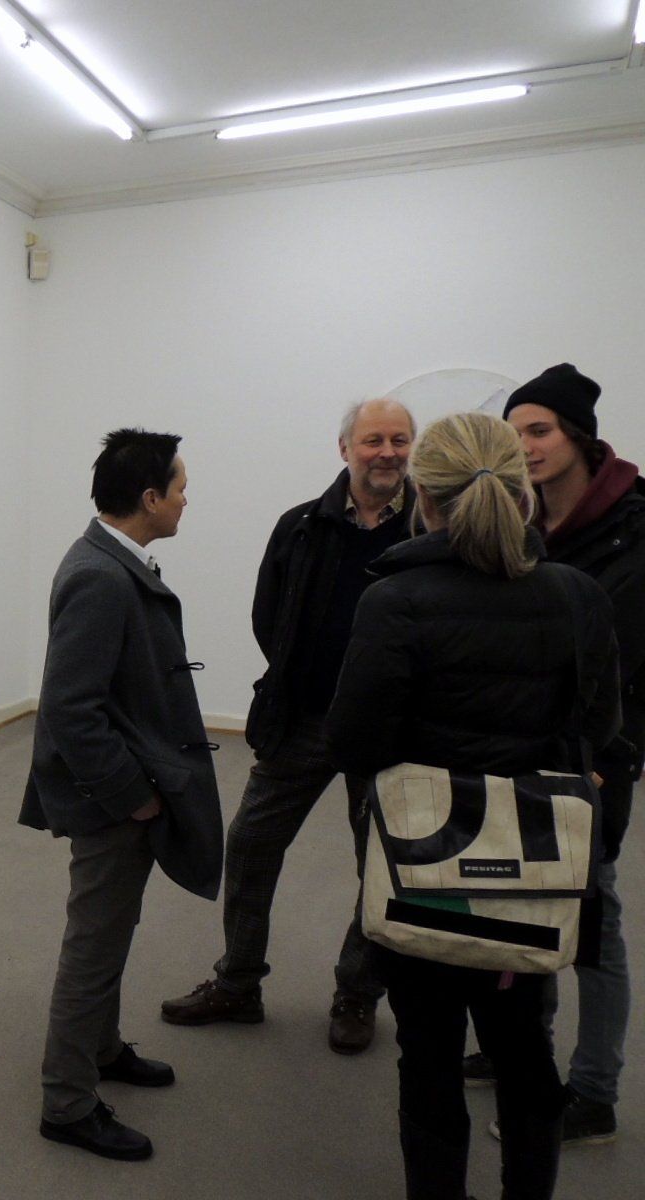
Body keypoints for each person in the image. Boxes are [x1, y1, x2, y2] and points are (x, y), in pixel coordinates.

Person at [326, 410, 620, 1200]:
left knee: (427, 1059)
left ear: (423, 496)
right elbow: (599, 729)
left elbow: (354, 742)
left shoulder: (394, 599)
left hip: (424, 868)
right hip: (531, 874)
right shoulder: (577, 595)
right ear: (522, 494)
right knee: (526, 1053)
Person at [160, 398, 415, 1053]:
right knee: (250, 845)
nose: (387, 452)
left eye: (399, 439)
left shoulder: (430, 525)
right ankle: (238, 983)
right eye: (373, 440)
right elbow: (267, 615)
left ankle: (357, 994)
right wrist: (299, 679)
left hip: (391, 734)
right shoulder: (301, 526)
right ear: (345, 448)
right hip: (304, 718)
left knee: (382, 867)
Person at [20, 428, 223, 1162]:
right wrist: (131, 795)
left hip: (126, 785)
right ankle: (68, 1103)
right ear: (149, 497)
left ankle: (101, 1049)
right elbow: (70, 707)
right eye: (180, 488)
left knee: (112, 931)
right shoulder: (100, 577)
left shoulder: (114, 561)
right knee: (93, 944)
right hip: (110, 798)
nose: (186, 499)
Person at [459, 363, 645, 1145]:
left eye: (539, 430)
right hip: (523, 749)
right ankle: (520, 1048)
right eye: (515, 433)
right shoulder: (523, 518)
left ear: (579, 438)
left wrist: (605, 753)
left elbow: (629, 666)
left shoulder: (634, 528)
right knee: (525, 906)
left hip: (594, 759)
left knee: (593, 923)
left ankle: (594, 1092)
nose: (525, 446)